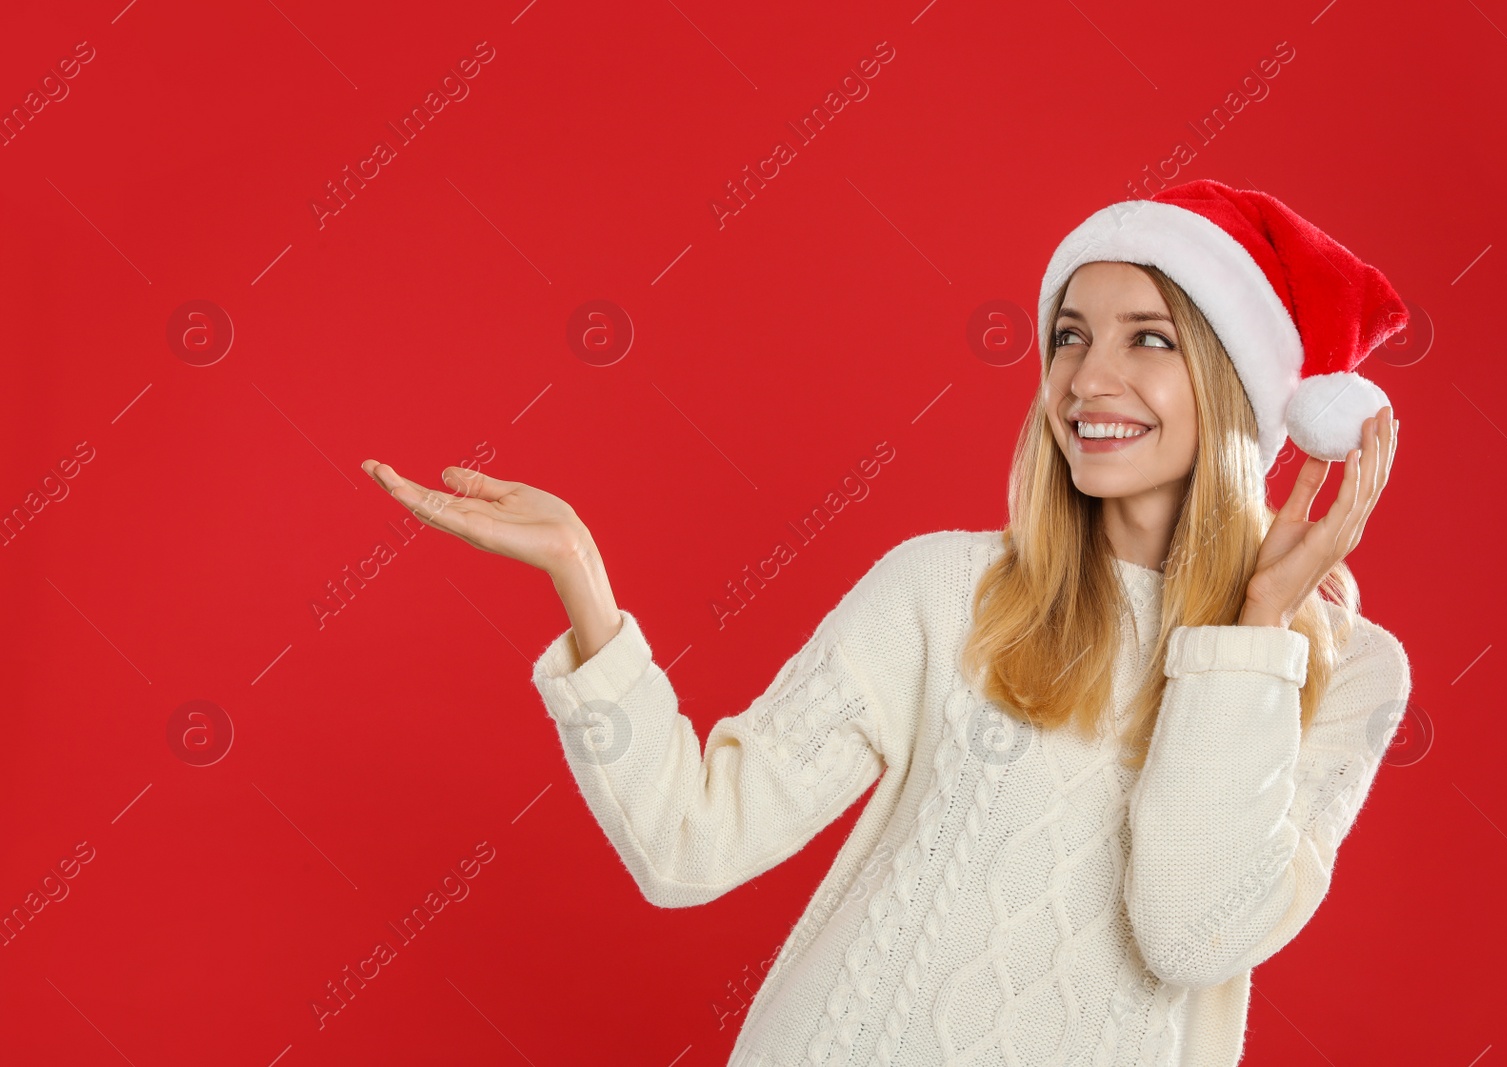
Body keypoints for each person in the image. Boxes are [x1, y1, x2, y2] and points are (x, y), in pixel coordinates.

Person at [361, 178, 1411, 1066]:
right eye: (1069, 336)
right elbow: (691, 840)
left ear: (1242, 388)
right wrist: (582, 580)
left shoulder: (1344, 673)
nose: (1090, 377)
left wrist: (1254, 626)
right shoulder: (947, 590)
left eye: (1150, 339)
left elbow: (1188, 930)